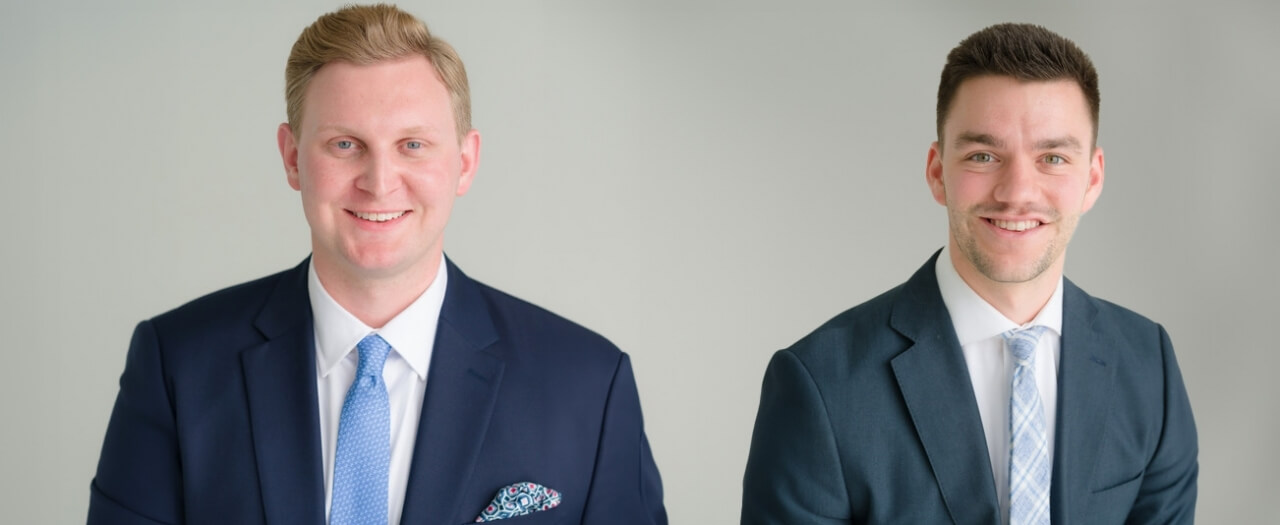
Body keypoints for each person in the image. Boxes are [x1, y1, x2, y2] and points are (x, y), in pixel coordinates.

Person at [88, 5, 665, 524]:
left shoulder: (587, 385)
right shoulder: (178, 365)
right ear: (292, 158)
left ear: (465, 163)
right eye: (345, 144)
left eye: (412, 144)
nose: (379, 182)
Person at [741, 23, 1197, 524]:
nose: (1017, 191)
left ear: (1092, 178)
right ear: (938, 172)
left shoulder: (1147, 363)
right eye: (983, 155)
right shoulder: (821, 385)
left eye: (1053, 158)